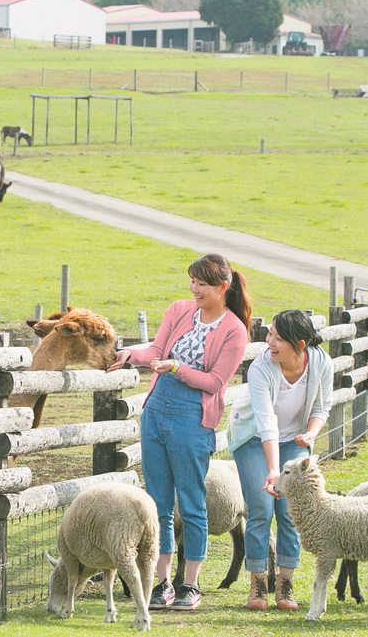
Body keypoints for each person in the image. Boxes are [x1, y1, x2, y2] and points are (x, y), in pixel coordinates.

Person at [106, 253, 251, 611]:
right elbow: (155, 350)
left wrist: (176, 368)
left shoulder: (235, 330)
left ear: (223, 287)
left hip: (193, 418)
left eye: (201, 283)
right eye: (192, 281)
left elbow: (216, 382)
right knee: (157, 503)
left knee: (191, 503)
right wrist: (130, 355)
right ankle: (163, 582)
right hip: (155, 412)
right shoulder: (178, 310)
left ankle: (191, 584)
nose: (194, 289)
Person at [226, 309, 333, 611]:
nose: (269, 341)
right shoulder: (262, 366)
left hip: (294, 439)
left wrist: (311, 435)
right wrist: (273, 470)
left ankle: (285, 586)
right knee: (260, 507)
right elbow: (265, 422)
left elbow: (322, 408)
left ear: (300, 345)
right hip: (253, 439)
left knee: (289, 510)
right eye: (269, 333)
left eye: (277, 338)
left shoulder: (321, 363)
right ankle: (258, 586)